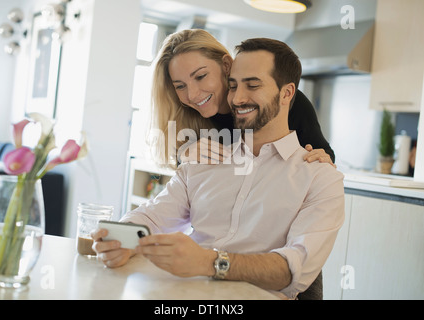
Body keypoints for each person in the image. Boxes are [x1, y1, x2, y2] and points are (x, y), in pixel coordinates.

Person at [92, 38, 345, 299]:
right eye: (233, 86)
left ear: (287, 93)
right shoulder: (203, 155)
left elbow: (295, 268)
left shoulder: (319, 176)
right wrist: (120, 239)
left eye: (253, 84)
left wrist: (206, 261)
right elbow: (153, 216)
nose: (237, 97)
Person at [150, 29, 335, 167]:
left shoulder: (284, 103)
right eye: (180, 86)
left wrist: (320, 157)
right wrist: (184, 155)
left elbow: (323, 156)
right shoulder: (187, 116)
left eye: (200, 77)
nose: (192, 95)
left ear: (226, 65)